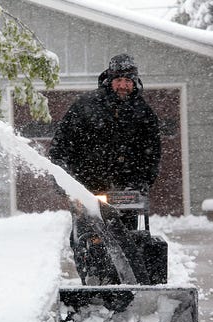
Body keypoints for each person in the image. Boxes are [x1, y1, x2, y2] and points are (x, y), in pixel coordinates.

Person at [49, 54, 161, 286]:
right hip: (88, 189)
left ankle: (125, 285)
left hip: (125, 193)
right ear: (109, 80)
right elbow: (60, 147)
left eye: (128, 80)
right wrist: (64, 181)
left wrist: (143, 181)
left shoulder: (143, 113)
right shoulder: (85, 107)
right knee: (87, 239)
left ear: (135, 82)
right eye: (118, 79)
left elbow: (152, 153)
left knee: (126, 240)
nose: (123, 85)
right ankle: (90, 281)